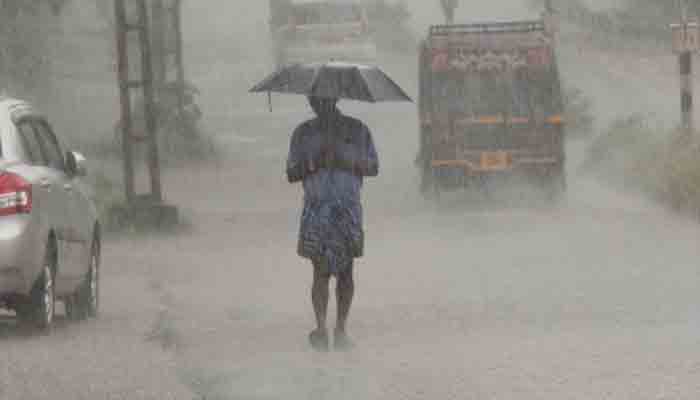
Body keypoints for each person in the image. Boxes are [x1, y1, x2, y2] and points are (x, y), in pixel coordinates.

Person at [286, 96, 379, 351]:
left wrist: (345, 160)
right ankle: (321, 327)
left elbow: (373, 167)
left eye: (323, 98)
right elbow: (291, 173)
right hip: (316, 210)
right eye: (314, 99)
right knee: (320, 271)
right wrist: (314, 162)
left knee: (346, 271)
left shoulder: (357, 130)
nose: (318, 103)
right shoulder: (303, 134)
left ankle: (341, 329)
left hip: (347, 209)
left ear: (335, 98)